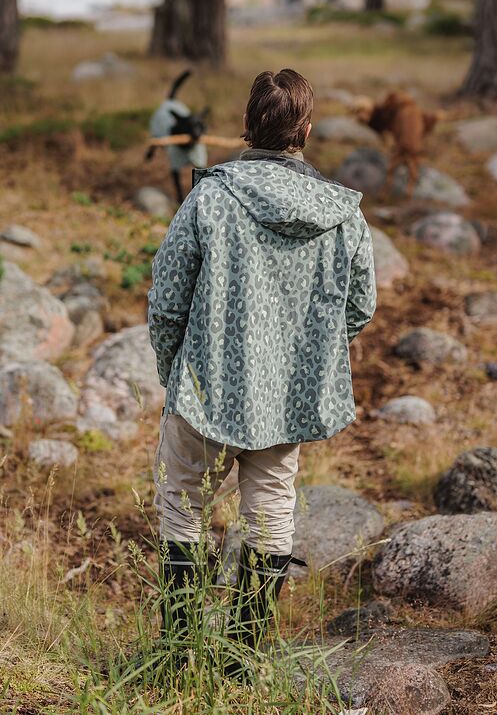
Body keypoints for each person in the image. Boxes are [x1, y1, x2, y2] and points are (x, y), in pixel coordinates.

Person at [148, 68, 376, 658]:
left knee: (183, 505)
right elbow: (360, 307)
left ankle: (180, 653)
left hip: (206, 384)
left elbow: (168, 298)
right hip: (287, 399)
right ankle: (243, 655)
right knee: (271, 508)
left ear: (247, 127)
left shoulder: (211, 196)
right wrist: (307, 358)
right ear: (306, 127)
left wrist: (175, 370)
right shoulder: (342, 212)